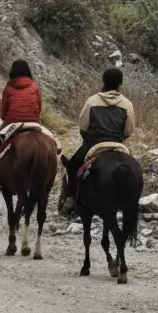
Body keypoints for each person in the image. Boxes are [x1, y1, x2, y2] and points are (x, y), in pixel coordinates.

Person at [59, 67, 136, 215]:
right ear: (120, 85)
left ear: (104, 82)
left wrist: (87, 138)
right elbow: (129, 130)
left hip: (93, 143)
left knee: (72, 166)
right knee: (132, 169)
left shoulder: (92, 101)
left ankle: (70, 198)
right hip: (117, 144)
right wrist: (119, 138)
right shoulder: (127, 104)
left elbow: (83, 125)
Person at [0, 59, 43, 178]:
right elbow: (39, 106)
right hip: (33, 122)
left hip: (12, 123)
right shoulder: (35, 86)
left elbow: (3, 111)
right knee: (51, 141)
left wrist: (5, 118)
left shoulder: (8, 87)